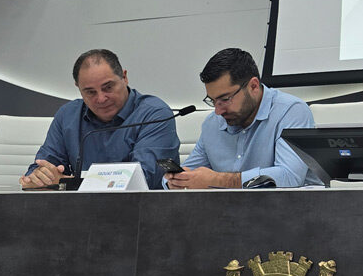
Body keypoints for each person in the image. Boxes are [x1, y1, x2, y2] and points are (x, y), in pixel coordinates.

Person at [21, 49, 179, 189]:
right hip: (76, 209)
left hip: (141, 209)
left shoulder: (154, 114)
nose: (101, 99)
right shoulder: (68, 115)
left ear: (124, 77)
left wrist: (65, 182)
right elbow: (41, 167)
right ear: (78, 88)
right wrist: (39, 177)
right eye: (90, 92)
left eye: (108, 87)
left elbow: (143, 179)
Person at [166, 48, 321, 189]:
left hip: (292, 207)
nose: (218, 111)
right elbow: (185, 172)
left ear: (253, 86)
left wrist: (219, 180)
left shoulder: (291, 111)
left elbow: (289, 176)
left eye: (225, 99)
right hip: (229, 209)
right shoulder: (212, 124)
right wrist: (177, 181)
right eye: (212, 101)